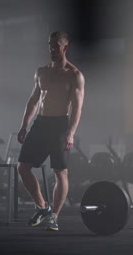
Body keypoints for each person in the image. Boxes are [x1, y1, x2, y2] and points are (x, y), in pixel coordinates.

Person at [17, 31, 85, 231]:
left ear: (65, 47)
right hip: (41, 123)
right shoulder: (41, 72)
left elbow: (77, 107)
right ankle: (43, 207)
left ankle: (54, 216)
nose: (51, 49)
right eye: (49, 45)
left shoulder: (74, 75)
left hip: (60, 126)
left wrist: (71, 132)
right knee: (23, 167)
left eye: (56, 45)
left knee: (60, 171)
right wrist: (24, 125)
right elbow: (33, 101)